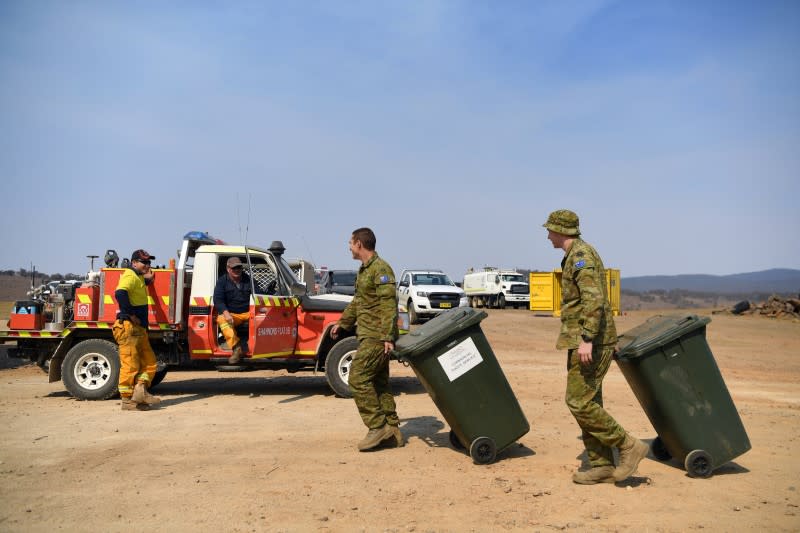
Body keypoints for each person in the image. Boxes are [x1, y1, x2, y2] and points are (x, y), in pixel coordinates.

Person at [543, 209, 648, 484]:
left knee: (577, 402)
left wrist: (588, 338)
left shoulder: (580, 257)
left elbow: (594, 300)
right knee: (590, 401)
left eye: (550, 230)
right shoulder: (575, 255)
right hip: (585, 340)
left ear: (562, 231)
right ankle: (602, 465)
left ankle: (628, 445)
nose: (547, 235)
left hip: (590, 342)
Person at [331, 227, 403, 451]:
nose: (349, 247)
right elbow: (358, 302)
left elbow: (388, 305)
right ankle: (393, 430)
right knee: (379, 383)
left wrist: (387, 337)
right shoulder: (365, 270)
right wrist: (343, 323)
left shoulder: (381, 269)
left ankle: (377, 426)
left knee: (357, 378)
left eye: (350, 243)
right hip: (369, 335)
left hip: (377, 337)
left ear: (359, 244)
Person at [113, 249, 162, 411]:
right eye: (144, 262)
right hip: (129, 327)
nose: (147, 265)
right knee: (130, 365)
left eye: (149, 262)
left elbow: (146, 280)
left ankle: (140, 391)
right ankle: (127, 401)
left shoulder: (139, 277)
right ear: (134, 263)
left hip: (138, 329)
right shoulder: (129, 275)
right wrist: (131, 315)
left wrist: (149, 274)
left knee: (149, 362)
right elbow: (120, 293)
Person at [213, 256, 252, 364]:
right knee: (221, 319)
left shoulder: (249, 279)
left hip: (249, 313)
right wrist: (226, 313)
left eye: (239, 267)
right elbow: (218, 300)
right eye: (234, 268)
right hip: (233, 315)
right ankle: (236, 348)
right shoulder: (222, 281)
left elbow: (259, 293)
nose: (237, 270)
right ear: (228, 269)